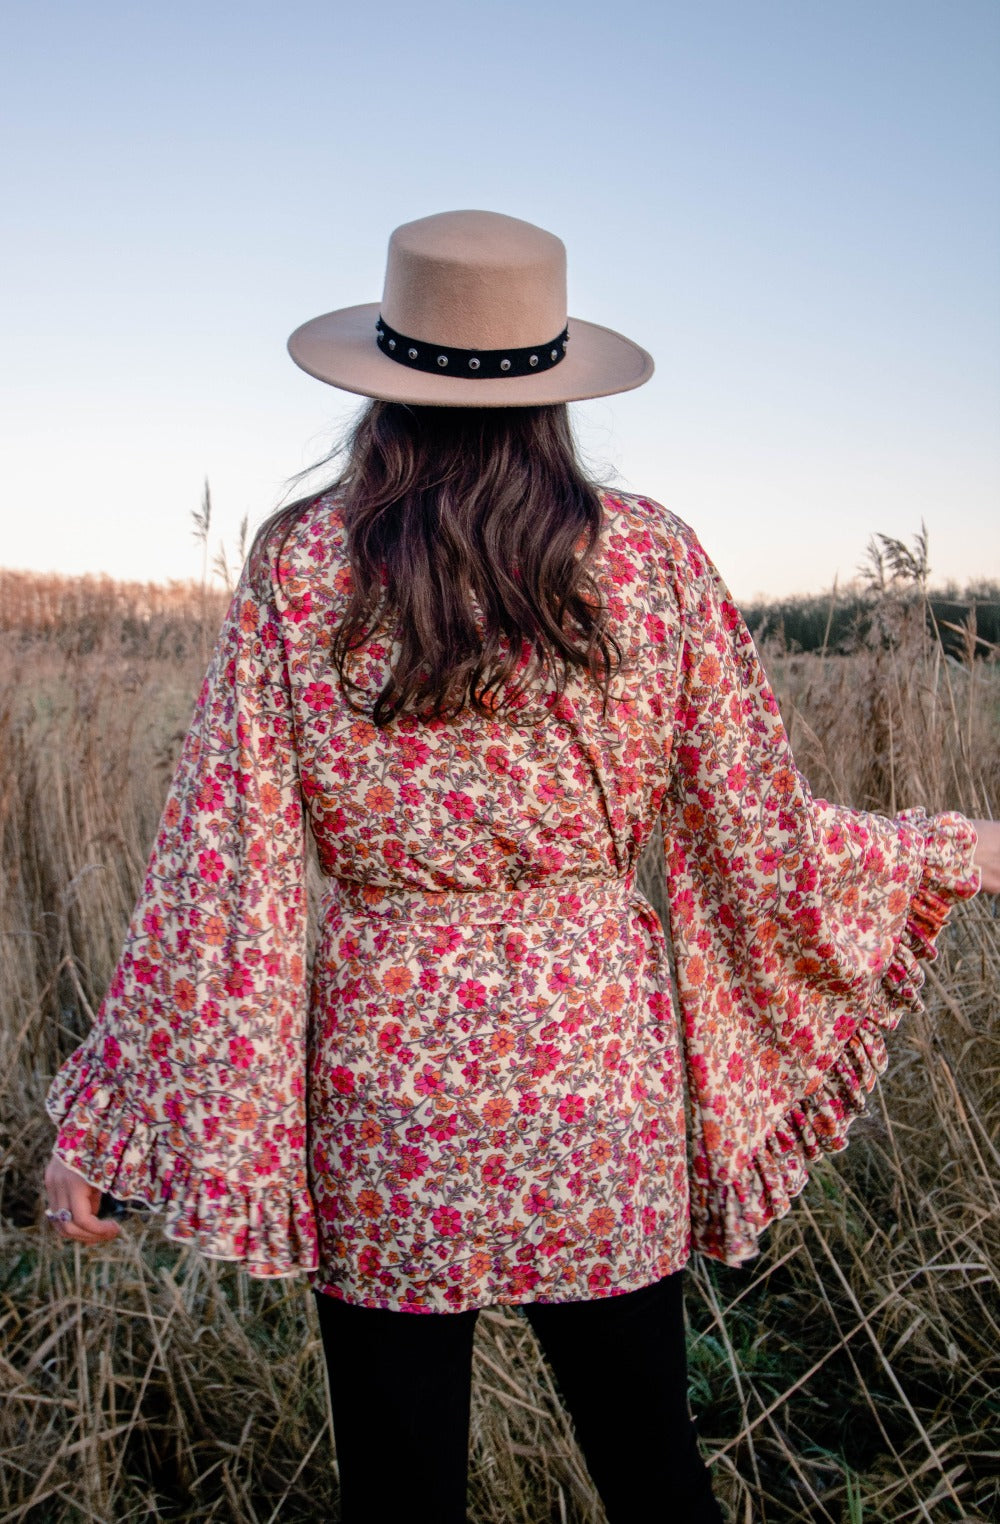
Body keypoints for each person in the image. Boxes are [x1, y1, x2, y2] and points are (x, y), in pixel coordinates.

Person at [43, 210, 998, 1524]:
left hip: (388, 1079)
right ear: (553, 389)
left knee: (399, 1490)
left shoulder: (296, 566)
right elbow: (767, 847)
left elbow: (227, 877)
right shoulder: (652, 559)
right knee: (655, 1472)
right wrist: (955, 849)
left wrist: (108, 1125)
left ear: (382, 381)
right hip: (600, 1071)